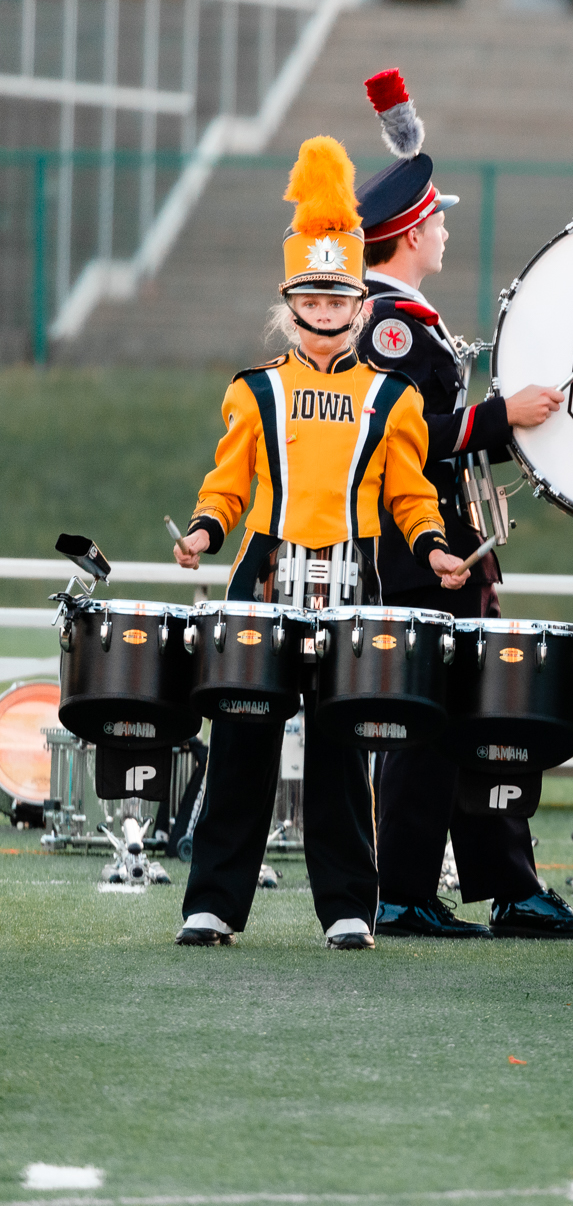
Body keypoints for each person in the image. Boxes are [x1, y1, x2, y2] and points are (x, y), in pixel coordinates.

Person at [170, 135, 463, 950]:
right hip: (262, 579)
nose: (328, 312)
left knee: (341, 755)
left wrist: (434, 544)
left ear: (361, 305)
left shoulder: (393, 397)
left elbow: (410, 490)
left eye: (340, 299)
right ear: (289, 301)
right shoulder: (253, 388)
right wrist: (202, 531)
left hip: (354, 585)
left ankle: (346, 908)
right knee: (242, 744)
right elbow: (228, 482)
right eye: (314, 298)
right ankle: (215, 905)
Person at [352, 70, 573, 943]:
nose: (448, 230)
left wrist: (514, 423)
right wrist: (504, 414)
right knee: (432, 716)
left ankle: (506, 883)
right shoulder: (389, 325)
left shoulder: (411, 320)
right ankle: (406, 891)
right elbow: (402, 439)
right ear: (412, 231)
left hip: (452, 545)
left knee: (473, 714)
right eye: (438, 220)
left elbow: (439, 430)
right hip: (418, 549)